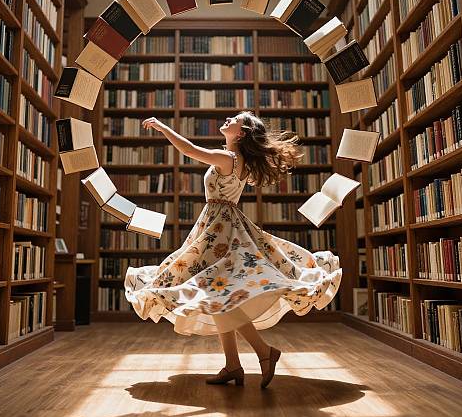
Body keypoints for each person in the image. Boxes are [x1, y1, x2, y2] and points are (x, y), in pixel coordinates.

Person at [124, 112, 342, 388]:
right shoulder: (240, 162)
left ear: (241, 134)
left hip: (220, 230)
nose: (229, 118)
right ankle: (233, 365)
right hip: (222, 226)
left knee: (217, 294)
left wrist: (162, 127)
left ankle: (263, 352)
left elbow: (189, 150)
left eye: (236, 119)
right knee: (218, 294)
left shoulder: (228, 158)